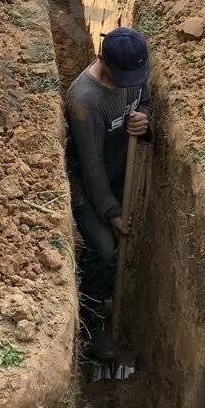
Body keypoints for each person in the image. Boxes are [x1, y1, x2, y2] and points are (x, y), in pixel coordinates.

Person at [64, 26, 152, 362]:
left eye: (135, 76)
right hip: (88, 183)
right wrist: (111, 212)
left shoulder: (133, 66)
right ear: (103, 59)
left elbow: (144, 97)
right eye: (122, 78)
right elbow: (91, 166)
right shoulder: (85, 100)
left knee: (114, 247)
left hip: (117, 171)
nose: (130, 83)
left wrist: (145, 120)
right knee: (102, 249)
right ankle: (92, 321)